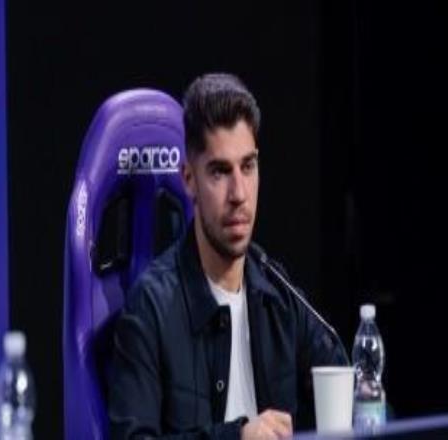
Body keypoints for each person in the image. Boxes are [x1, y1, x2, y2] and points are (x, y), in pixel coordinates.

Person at [108, 73, 347, 439]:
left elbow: (354, 397)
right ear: (189, 179)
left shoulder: (279, 296)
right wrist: (236, 436)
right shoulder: (150, 307)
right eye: (220, 172)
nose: (239, 193)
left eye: (248, 167)